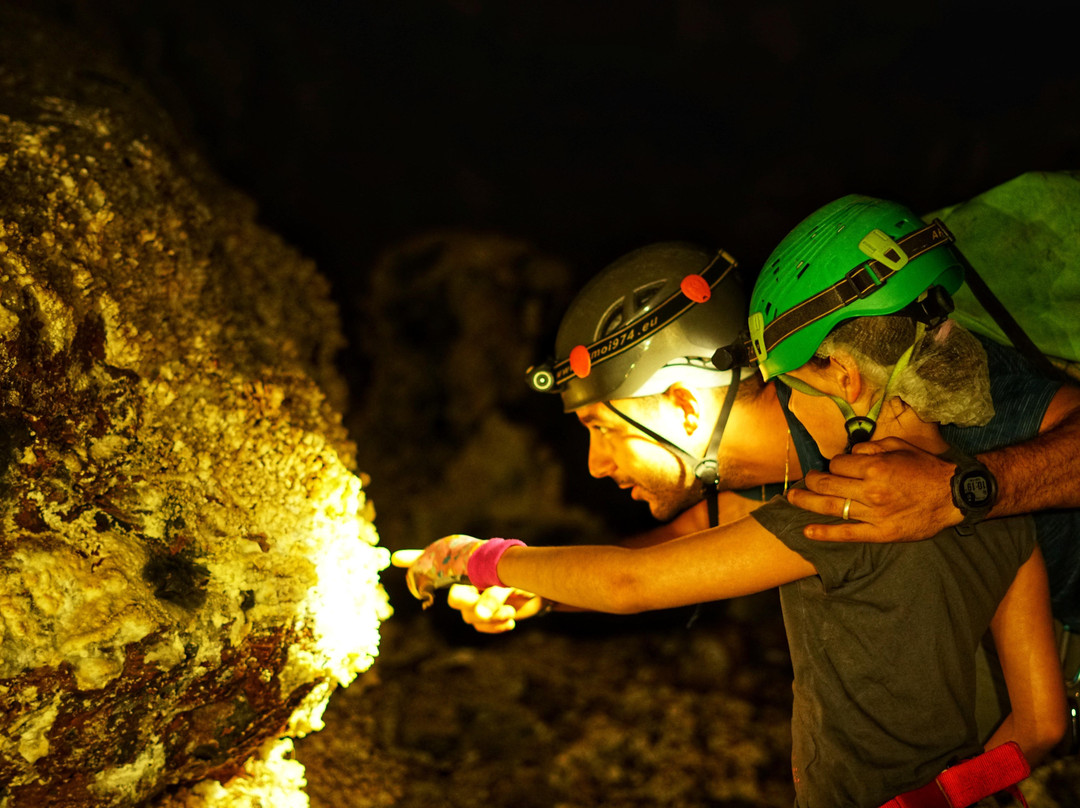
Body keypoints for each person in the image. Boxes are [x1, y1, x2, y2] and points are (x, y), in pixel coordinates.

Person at [394, 195, 1067, 807]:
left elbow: (634, 583)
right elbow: (1041, 724)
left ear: (842, 373)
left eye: (602, 430)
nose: (597, 465)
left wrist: (480, 558)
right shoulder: (1001, 528)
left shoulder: (844, 503)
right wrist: (545, 588)